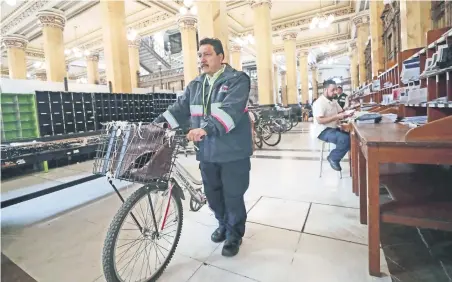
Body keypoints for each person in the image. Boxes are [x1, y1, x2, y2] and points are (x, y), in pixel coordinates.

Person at [154, 38, 252, 257]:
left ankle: (234, 234)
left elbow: (231, 110)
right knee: (213, 194)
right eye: (199, 55)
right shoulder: (196, 84)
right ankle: (223, 223)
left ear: (220, 57)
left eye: (207, 54)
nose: (202, 59)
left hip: (233, 152)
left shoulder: (237, 80)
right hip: (207, 152)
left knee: (233, 195)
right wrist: (156, 125)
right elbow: (178, 110)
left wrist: (205, 129)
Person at [312, 80, 354, 171]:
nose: (335, 92)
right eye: (333, 90)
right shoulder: (319, 103)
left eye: (336, 90)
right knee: (345, 139)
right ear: (325, 89)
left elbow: (341, 111)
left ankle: (354, 164)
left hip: (334, 128)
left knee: (352, 137)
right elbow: (320, 120)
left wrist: (348, 113)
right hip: (323, 130)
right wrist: (336, 116)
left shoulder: (334, 101)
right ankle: (333, 157)